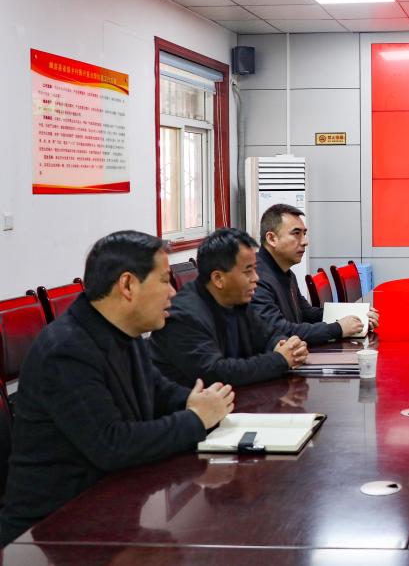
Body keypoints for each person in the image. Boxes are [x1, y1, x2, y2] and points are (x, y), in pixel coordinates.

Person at [0, 231, 234, 545]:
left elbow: (159, 392)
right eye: (164, 281)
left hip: (106, 509)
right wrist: (196, 419)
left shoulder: (125, 331)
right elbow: (113, 445)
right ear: (127, 285)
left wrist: (202, 402)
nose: (172, 292)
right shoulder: (66, 350)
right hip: (50, 531)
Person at [150, 228, 308, 387]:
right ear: (218, 278)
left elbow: (267, 336)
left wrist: (286, 346)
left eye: (255, 269)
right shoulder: (184, 316)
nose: (256, 278)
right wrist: (280, 359)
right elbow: (217, 372)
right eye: (248, 271)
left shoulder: (237, 300)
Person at [251, 204, 378, 346]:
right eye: (296, 233)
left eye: (304, 234)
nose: (305, 241)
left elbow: (307, 313)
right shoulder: (255, 278)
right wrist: (338, 328)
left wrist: (356, 315)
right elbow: (279, 330)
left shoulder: (286, 272)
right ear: (272, 238)